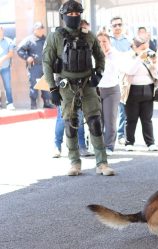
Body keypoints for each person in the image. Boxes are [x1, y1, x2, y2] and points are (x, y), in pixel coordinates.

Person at [42, 0, 114, 176]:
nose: (73, 17)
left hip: (87, 84)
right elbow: (47, 62)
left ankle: (102, 163)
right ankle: (74, 163)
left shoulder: (88, 36)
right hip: (66, 86)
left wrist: (98, 74)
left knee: (95, 122)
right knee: (70, 123)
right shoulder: (55, 37)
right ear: (63, 16)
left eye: (76, 14)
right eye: (70, 14)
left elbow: (100, 57)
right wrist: (52, 88)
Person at [119, 36, 158, 151]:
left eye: (146, 48)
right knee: (131, 119)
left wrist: (154, 63)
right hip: (132, 90)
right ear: (135, 47)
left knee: (147, 119)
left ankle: (150, 143)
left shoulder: (148, 55)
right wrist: (139, 58)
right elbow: (129, 70)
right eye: (142, 48)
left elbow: (156, 71)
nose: (145, 50)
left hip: (148, 88)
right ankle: (129, 142)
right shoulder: (128, 56)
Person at [17, 22, 53, 109]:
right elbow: (19, 50)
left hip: (45, 66)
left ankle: (47, 103)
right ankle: (33, 104)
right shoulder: (29, 40)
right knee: (34, 85)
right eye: (39, 29)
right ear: (35, 30)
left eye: (42, 28)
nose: (41, 30)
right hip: (34, 67)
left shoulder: (47, 39)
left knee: (46, 84)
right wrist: (27, 57)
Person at [96, 32, 121, 155]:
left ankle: (109, 146)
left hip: (111, 90)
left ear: (109, 42)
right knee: (97, 120)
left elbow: (113, 71)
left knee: (109, 120)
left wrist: (104, 57)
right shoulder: (93, 54)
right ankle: (98, 146)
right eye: (99, 41)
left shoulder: (114, 54)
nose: (102, 44)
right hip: (96, 90)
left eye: (104, 41)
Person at [110, 16, 132, 146]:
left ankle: (121, 135)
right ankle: (109, 137)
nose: (117, 27)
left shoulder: (128, 41)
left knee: (123, 109)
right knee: (110, 110)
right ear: (111, 27)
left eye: (119, 25)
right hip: (110, 78)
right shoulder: (107, 41)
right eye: (114, 25)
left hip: (124, 79)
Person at [0, 25, 15, 110]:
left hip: (5, 67)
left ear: (3, 30)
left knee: (8, 86)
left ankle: (10, 103)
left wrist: (1, 60)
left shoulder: (9, 41)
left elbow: (11, 53)